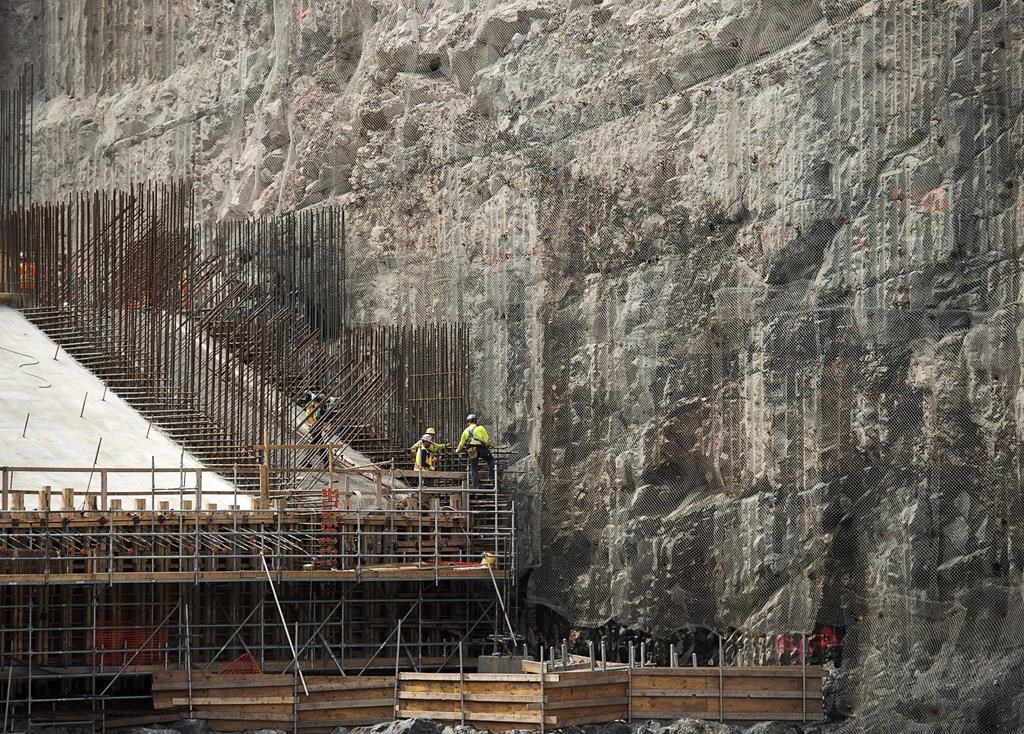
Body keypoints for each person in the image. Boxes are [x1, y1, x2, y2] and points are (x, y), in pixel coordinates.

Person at [456, 414, 495, 489]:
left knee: (474, 468)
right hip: (481, 448)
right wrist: (489, 445)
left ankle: (476, 486)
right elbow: (487, 440)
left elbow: (461, 444)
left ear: (468, 422)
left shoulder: (465, 431)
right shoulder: (480, 428)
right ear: (476, 421)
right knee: (491, 460)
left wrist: (457, 451)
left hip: (471, 449)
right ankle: (491, 476)